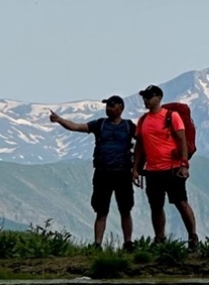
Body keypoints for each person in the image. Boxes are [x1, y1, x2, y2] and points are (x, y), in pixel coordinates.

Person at [49, 96, 136, 250]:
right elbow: (75, 127)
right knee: (101, 211)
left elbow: (143, 141)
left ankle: (128, 242)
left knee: (125, 209)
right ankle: (97, 244)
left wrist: (137, 167)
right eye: (107, 105)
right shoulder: (99, 124)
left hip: (123, 172)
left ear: (121, 108)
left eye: (112, 105)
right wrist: (59, 120)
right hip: (103, 173)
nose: (108, 108)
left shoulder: (129, 126)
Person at [132, 85, 198, 249]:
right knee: (155, 206)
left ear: (158, 98)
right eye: (144, 97)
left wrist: (184, 164)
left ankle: (193, 237)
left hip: (173, 168)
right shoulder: (143, 121)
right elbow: (139, 146)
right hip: (152, 171)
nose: (146, 100)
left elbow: (182, 140)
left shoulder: (171, 116)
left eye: (149, 97)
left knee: (181, 203)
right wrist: (135, 169)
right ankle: (159, 239)